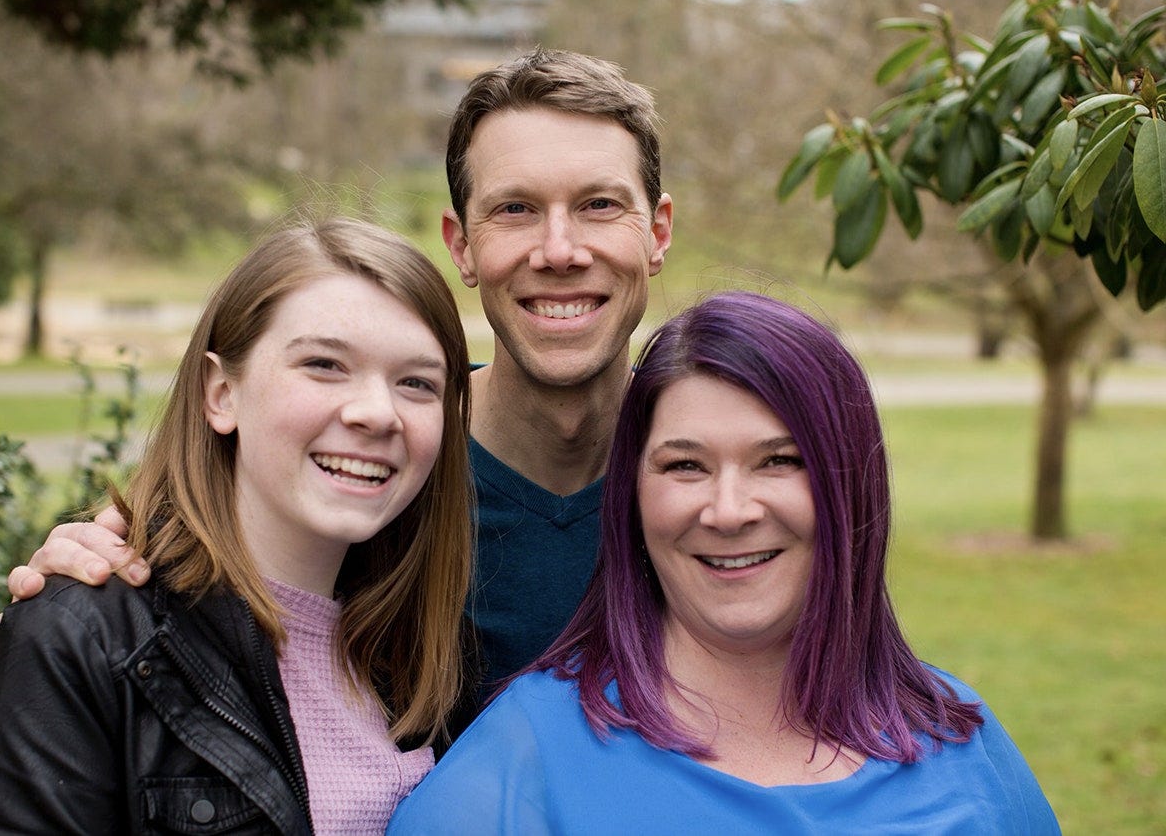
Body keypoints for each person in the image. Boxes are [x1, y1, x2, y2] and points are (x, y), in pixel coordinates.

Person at [0, 48, 674, 701]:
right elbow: (181, 560)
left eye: (600, 205)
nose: (559, 250)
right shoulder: (368, 463)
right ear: (462, 246)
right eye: (515, 209)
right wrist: (84, 606)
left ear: (658, 234)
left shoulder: (732, 477)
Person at [386, 291, 1060, 833]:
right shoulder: (517, 771)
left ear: (850, 483)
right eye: (686, 464)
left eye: (779, 460)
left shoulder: (966, 746)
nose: (729, 510)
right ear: (633, 498)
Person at [0, 216, 474, 834]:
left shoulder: (423, 650)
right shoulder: (87, 639)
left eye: (416, 383)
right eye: (325, 365)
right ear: (221, 392)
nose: (376, 413)